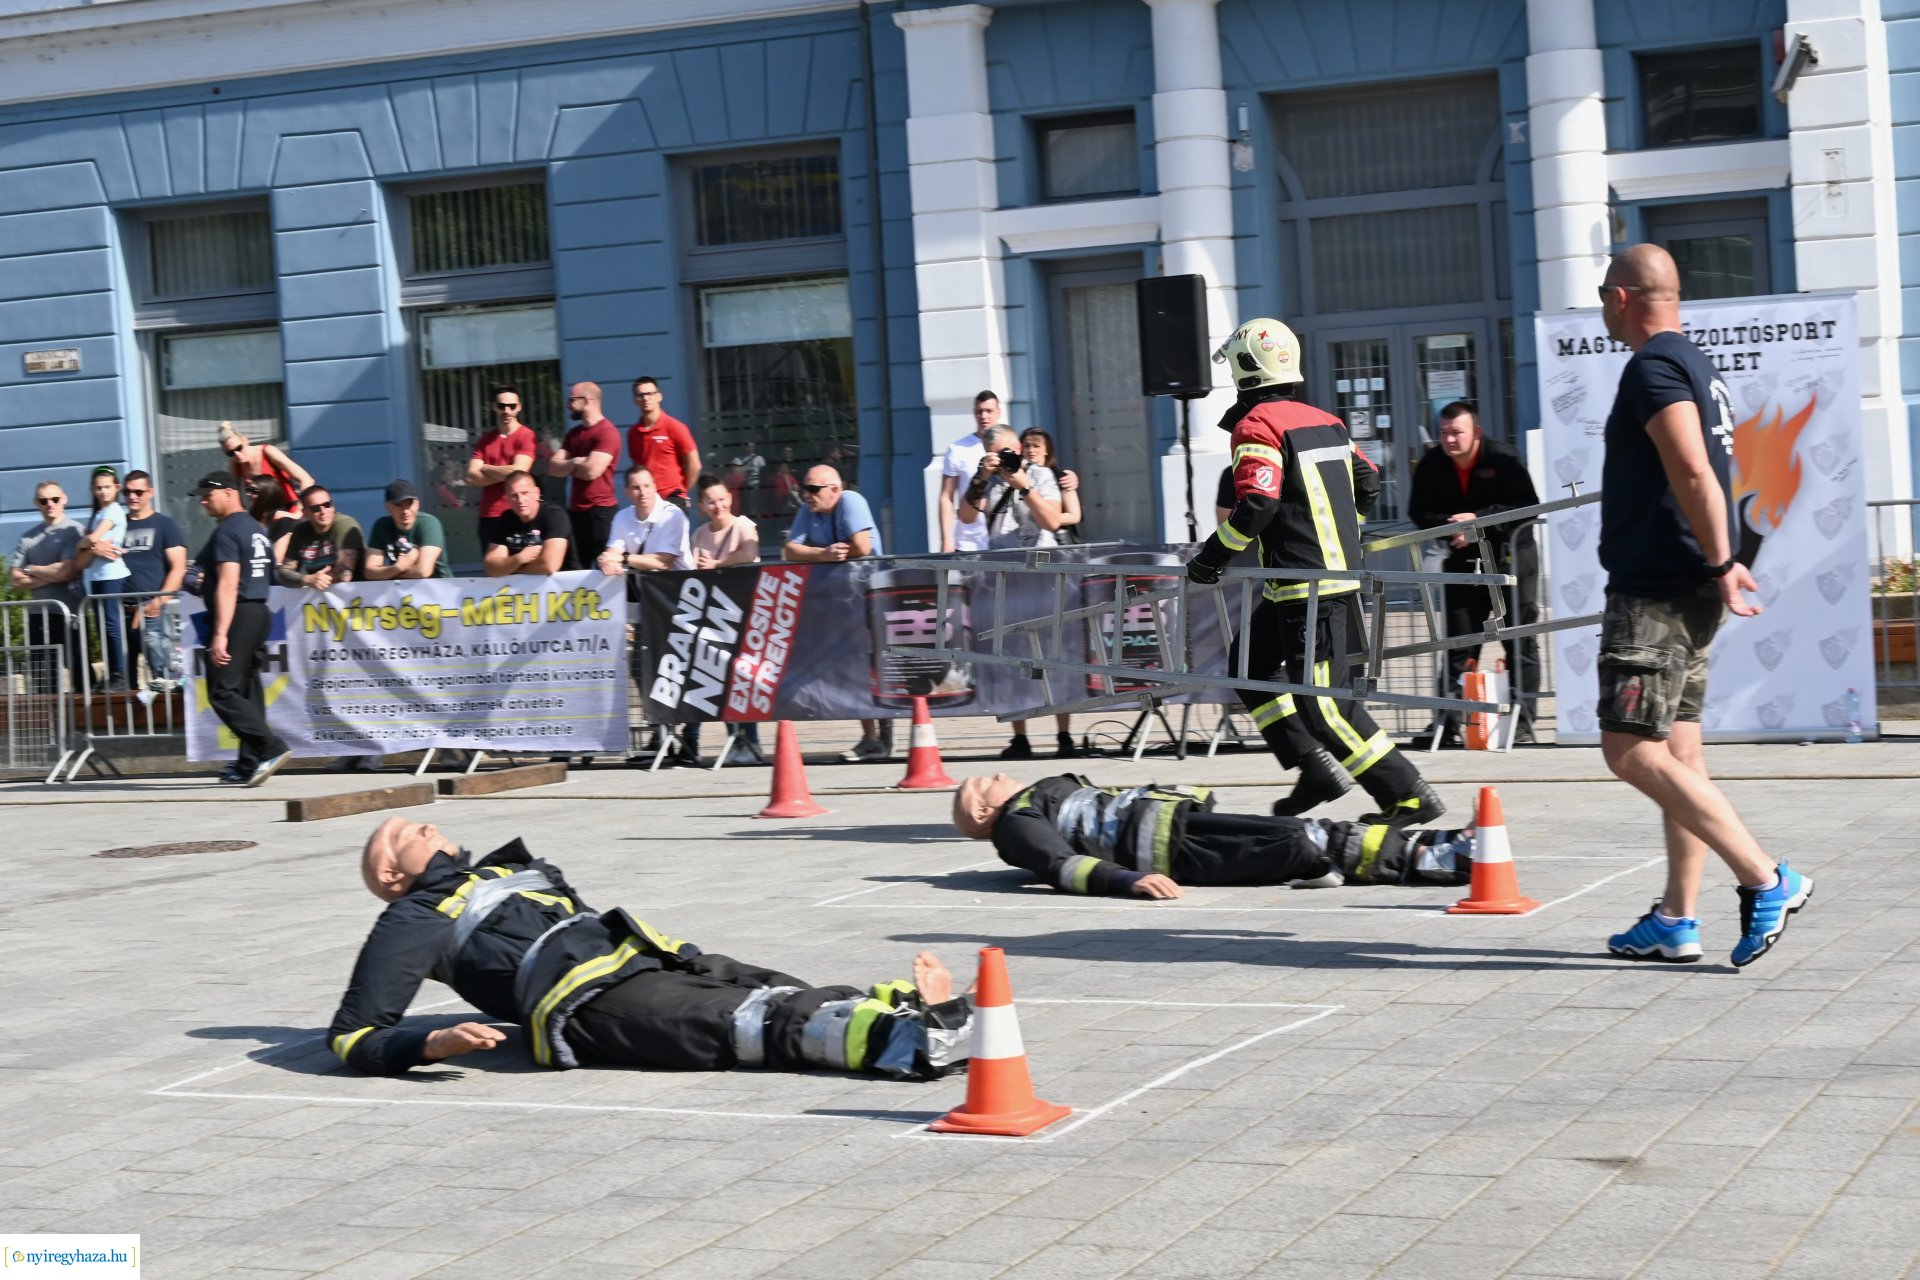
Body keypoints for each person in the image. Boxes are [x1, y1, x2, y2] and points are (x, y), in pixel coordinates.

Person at [330, 817, 975, 1081]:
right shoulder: (412, 916)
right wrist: (428, 1045)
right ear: (391, 874)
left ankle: (907, 1015)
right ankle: (917, 1044)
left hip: (649, 958)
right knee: (749, 1024)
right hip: (590, 1004)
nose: (423, 823)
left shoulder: (502, 872)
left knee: (774, 989)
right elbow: (353, 1036)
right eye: (403, 832)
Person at [1594, 244, 1811, 968]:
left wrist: (1723, 563)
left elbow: (1692, 467)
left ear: (1622, 297)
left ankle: (1766, 878)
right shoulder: (1697, 365)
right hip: (1685, 585)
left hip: (1658, 589)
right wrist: (1720, 561)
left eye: (1603, 296)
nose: (1601, 308)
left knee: (1629, 749)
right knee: (1680, 754)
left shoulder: (1652, 366)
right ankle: (1676, 918)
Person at [1185, 317, 1443, 827]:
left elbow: (1258, 503)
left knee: (1326, 707)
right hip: (1304, 585)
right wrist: (1344, 533)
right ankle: (1313, 768)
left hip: (1310, 589)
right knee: (1249, 667)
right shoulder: (1326, 421)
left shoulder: (1256, 426)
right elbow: (1369, 481)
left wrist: (1211, 558)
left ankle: (1407, 795)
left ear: (1245, 369)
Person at [953, 772, 1473, 897]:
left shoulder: (1040, 794)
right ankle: (1440, 862)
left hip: (1178, 826)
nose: (998, 774)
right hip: (1176, 852)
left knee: (1308, 831)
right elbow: (1061, 866)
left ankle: (1443, 846)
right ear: (982, 811)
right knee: (1298, 843)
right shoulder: (1017, 823)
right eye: (985, 782)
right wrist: (1127, 880)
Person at [1406, 402, 1543, 747]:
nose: (1449, 439)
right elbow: (1419, 511)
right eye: (1444, 433)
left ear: (1476, 432)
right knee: (1459, 643)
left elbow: (1527, 505)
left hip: (1511, 558)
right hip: (1464, 560)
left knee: (1519, 639)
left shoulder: (1504, 458)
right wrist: (1451, 526)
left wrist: (1478, 521)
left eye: (1457, 432)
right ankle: (1447, 721)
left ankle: (1523, 720)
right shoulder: (1432, 464)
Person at [959, 427, 1077, 760]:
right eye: (996, 454)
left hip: (1044, 575)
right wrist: (981, 477)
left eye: (1008, 451)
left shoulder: (1040, 475)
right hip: (1004, 576)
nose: (1005, 458)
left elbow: (1052, 522)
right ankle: (1020, 737)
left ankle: (1064, 735)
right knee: (1011, 656)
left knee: (1054, 655)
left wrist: (1023, 485)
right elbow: (966, 517)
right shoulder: (988, 480)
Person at [784, 465, 893, 762]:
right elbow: (790, 550)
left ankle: (885, 734)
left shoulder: (851, 501)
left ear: (835, 489)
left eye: (813, 489)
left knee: (873, 666)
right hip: (841, 600)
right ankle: (870, 738)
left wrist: (823, 554)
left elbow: (862, 546)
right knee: (853, 666)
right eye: (804, 489)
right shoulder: (809, 507)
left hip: (870, 597)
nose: (807, 495)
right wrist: (823, 554)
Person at [189, 472, 290, 787]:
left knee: (222, 691)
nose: (203, 502)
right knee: (247, 688)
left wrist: (220, 633)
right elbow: (269, 573)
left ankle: (270, 748)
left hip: (239, 613)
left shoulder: (228, 530)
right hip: (259, 611)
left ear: (229, 493)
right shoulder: (256, 529)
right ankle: (250, 762)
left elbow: (229, 584)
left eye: (208, 495)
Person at [689, 473, 765, 765]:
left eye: (722, 499)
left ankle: (752, 741)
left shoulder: (744, 525)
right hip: (714, 617)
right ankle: (734, 739)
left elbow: (749, 552)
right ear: (701, 506)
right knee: (720, 680)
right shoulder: (700, 534)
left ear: (730, 498)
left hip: (744, 613)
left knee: (743, 677)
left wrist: (717, 564)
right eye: (711, 502)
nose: (718, 506)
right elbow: (694, 566)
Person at [8, 481, 84, 691]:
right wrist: (52, 575)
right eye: (44, 500)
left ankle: (87, 711)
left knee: (80, 671)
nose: (50, 504)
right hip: (39, 615)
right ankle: (50, 713)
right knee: (42, 676)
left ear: (64, 499)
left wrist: (31, 569)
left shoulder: (74, 531)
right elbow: (14, 578)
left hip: (70, 613)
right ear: (37, 503)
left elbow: (67, 571)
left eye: (55, 499)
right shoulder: (28, 537)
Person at [118, 470, 188, 692]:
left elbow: (178, 568)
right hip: (119, 612)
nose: (132, 497)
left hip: (152, 611)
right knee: (122, 683)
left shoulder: (165, 524)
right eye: (127, 492)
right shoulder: (117, 525)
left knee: (163, 678)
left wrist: (158, 602)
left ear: (150, 492)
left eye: (138, 492)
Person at [548, 381, 620, 566]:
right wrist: (574, 462)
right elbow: (553, 468)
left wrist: (567, 467)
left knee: (606, 568)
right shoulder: (574, 434)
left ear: (587, 401)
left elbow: (591, 472)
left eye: (571, 400)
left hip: (601, 513)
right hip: (576, 513)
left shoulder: (607, 432)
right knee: (575, 569)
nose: (568, 405)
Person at [77, 466, 133, 689]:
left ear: (117, 488)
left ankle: (119, 673)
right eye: (98, 487)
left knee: (111, 625)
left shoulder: (114, 510)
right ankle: (110, 673)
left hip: (111, 575)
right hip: (95, 577)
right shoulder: (98, 514)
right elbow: (90, 543)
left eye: (107, 487)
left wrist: (85, 543)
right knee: (101, 627)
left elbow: (92, 538)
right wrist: (87, 544)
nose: (103, 491)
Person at [467, 385, 537, 550]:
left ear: (519, 407)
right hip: (489, 516)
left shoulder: (526, 435)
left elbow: (519, 472)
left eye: (511, 406)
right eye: (501, 406)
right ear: (494, 407)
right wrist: (507, 473)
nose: (506, 411)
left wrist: (485, 467)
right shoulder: (485, 440)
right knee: (493, 565)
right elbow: (471, 477)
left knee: (521, 562)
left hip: (518, 513)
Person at [937, 390, 1003, 554]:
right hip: (969, 543)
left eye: (989, 411)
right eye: (979, 411)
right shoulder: (958, 449)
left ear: (998, 412)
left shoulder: (1009, 444)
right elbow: (946, 496)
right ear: (974, 413)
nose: (984, 416)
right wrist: (946, 540)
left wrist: (1063, 477)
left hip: (1005, 541)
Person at [625, 376, 701, 510]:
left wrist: (682, 491)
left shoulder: (675, 427)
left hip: (673, 499)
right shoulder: (633, 433)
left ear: (659, 396)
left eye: (650, 394)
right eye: (641, 395)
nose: (646, 398)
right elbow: (637, 469)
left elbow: (695, 464)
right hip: (647, 500)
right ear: (635, 400)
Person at [483, 471, 578, 577]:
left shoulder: (554, 515)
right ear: (507, 499)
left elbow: (549, 565)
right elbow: (491, 568)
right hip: (521, 587)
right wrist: (520, 558)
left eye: (525, 493)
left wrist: (508, 568)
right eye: (514, 495)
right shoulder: (506, 519)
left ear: (537, 493)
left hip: (565, 585)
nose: (520, 500)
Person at [278, 485, 364, 589]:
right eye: (315, 508)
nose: (323, 512)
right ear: (305, 513)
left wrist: (316, 579)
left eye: (327, 505)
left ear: (333, 506)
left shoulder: (345, 524)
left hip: (360, 595)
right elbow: (284, 572)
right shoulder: (300, 531)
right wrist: (307, 579)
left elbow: (345, 573)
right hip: (319, 596)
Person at [363, 479, 450, 580]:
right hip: (400, 588)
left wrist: (388, 573)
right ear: (387, 507)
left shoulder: (429, 523)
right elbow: (370, 573)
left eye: (409, 504)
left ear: (417, 505)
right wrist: (399, 567)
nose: (405, 511)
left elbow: (423, 571)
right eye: (398, 505)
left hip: (438, 587)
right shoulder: (381, 526)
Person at [221, 423, 313, 514]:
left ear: (245, 440)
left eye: (239, 448)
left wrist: (299, 511)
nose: (237, 454)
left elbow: (306, 479)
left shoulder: (267, 451)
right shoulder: (235, 464)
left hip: (289, 509)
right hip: (264, 516)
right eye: (230, 453)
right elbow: (232, 496)